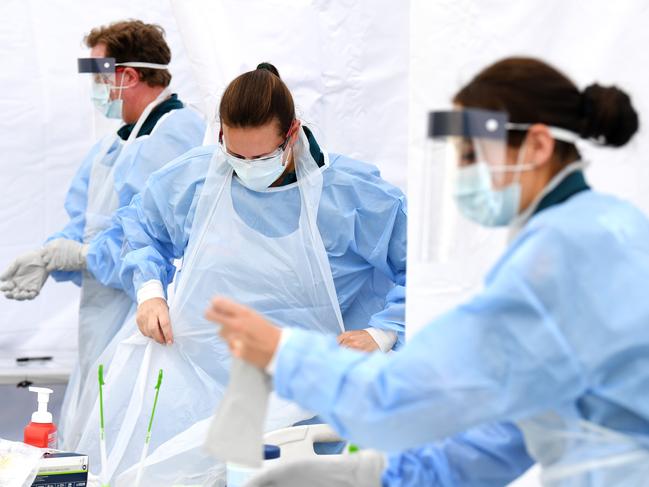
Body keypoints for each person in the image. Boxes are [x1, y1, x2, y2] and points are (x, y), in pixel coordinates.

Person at [208, 57, 649, 486]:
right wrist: (383, 476)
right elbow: (507, 429)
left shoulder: (558, 254)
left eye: (472, 154)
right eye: (458, 155)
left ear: (537, 146)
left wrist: (282, 353)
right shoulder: (613, 225)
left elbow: (409, 397)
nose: (462, 173)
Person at [64, 63, 407, 485]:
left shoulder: (351, 194)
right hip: (200, 376)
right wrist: (151, 292)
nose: (247, 167)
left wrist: (382, 333)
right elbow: (141, 230)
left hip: (305, 389)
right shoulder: (194, 178)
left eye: (261, 157)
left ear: (292, 133)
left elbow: (419, 269)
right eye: (234, 153)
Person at [0, 20, 205, 445]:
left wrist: (79, 255)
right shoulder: (115, 146)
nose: (95, 87)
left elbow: (156, 242)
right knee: (90, 434)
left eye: (98, 75)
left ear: (127, 75)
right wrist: (48, 255)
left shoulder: (176, 135)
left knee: (129, 438)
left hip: (144, 317)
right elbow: (88, 224)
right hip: (103, 317)